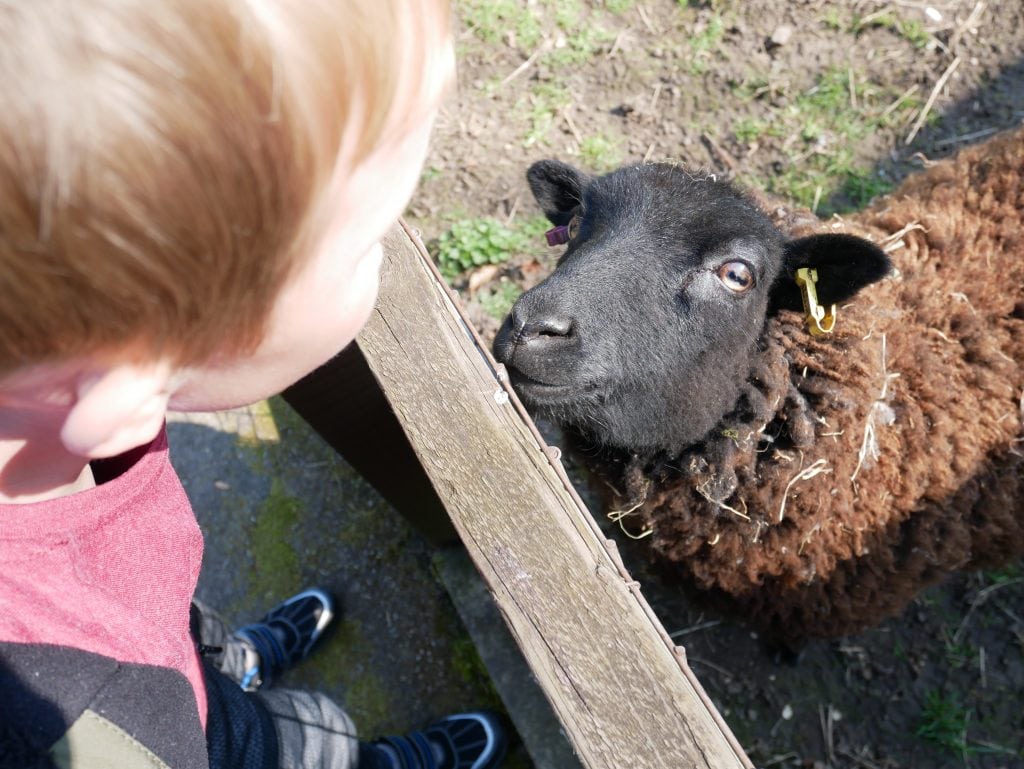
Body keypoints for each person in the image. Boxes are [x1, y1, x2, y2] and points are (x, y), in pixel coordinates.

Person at [0, 1, 507, 767]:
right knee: (308, 743)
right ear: (123, 387)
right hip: (193, 734)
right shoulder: (81, 731)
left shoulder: (57, 375)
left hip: (157, 642)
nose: (385, 254)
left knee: (181, 626)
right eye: (369, 242)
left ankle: (221, 660)